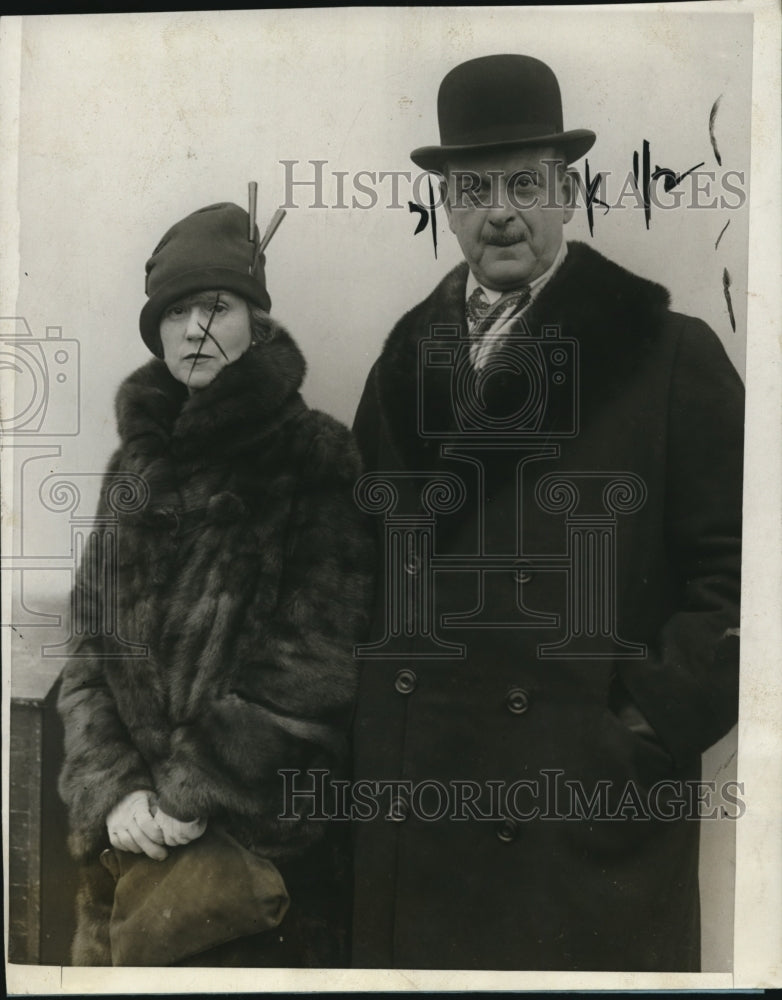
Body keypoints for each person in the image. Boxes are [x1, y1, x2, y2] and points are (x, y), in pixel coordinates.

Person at [350, 55, 743, 971]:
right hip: (421, 814)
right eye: (474, 185)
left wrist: (633, 732)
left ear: (568, 191)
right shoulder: (400, 365)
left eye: (524, 182)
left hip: (578, 827)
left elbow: (750, 582)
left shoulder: (671, 356)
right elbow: (358, 567)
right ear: (445, 203)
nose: (500, 210)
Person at [57, 201, 374, 967]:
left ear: (256, 326)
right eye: (176, 312)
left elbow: (313, 665)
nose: (196, 327)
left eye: (218, 306)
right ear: (157, 333)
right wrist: (117, 794)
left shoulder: (315, 456)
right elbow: (90, 651)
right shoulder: (133, 470)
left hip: (256, 868)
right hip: (127, 861)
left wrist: (188, 793)